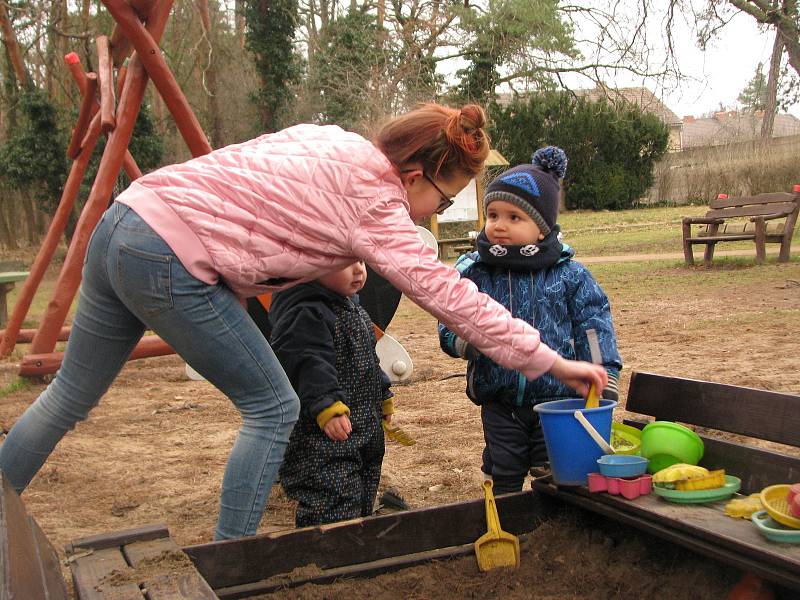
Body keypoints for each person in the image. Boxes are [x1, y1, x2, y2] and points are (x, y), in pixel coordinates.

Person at [0, 104, 607, 540]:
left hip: (123, 222)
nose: (436, 213)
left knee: (69, 394)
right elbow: (455, 299)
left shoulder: (334, 140)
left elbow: (261, 196)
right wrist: (552, 361)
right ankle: (231, 563)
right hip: (169, 255)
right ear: (417, 177)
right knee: (273, 406)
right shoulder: (380, 206)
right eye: (443, 202)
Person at [439, 147, 622, 495]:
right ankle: (505, 520)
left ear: (541, 229)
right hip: (500, 397)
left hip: (557, 399)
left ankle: (550, 525)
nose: (499, 225)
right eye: (493, 215)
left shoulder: (570, 275)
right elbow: (450, 313)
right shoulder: (476, 271)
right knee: (503, 468)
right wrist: (462, 341)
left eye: (514, 217)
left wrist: (605, 372)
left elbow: (594, 326)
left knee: (553, 470)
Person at [269, 260, 393, 526]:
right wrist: (326, 405)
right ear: (313, 263)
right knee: (332, 494)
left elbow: (369, 358)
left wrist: (383, 394)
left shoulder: (350, 306)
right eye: (346, 263)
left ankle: (357, 538)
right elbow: (308, 362)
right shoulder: (305, 313)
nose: (359, 269)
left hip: (361, 424)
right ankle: (328, 549)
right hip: (324, 434)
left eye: (361, 260)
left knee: (364, 483)